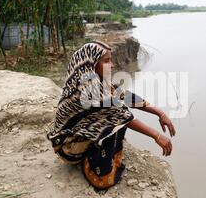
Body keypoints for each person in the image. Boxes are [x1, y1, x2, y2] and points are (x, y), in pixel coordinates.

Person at [46, 41, 175, 190]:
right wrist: (157, 136)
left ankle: (100, 152)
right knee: (115, 121)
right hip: (68, 146)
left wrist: (159, 112)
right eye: (106, 61)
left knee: (116, 115)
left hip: (76, 133)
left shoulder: (93, 79)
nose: (112, 65)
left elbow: (124, 95)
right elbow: (121, 115)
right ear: (92, 63)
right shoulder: (86, 87)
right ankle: (88, 165)